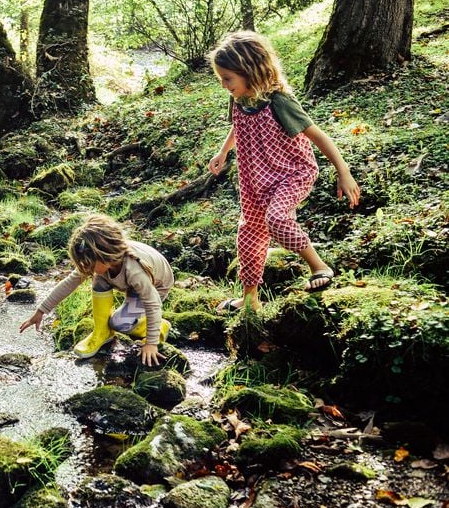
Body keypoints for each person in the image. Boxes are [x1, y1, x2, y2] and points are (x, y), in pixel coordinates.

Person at [206, 31, 361, 312]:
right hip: (254, 179)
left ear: (249, 71)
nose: (224, 84)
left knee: (277, 219)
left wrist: (343, 171)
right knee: (249, 233)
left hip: (292, 173)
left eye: (227, 78)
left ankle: (319, 266)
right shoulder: (240, 98)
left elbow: (319, 136)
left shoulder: (279, 102)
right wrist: (224, 151)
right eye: (221, 79)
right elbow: (237, 126)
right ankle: (250, 298)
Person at [18, 214, 174, 367]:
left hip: (156, 286)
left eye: (88, 264)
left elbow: (152, 303)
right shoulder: (102, 262)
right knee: (98, 278)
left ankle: (160, 326)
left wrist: (151, 344)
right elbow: (69, 283)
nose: (86, 269)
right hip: (130, 282)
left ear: (104, 255)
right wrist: (41, 311)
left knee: (119, 323)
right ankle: (102, 332)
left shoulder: (134, 270)